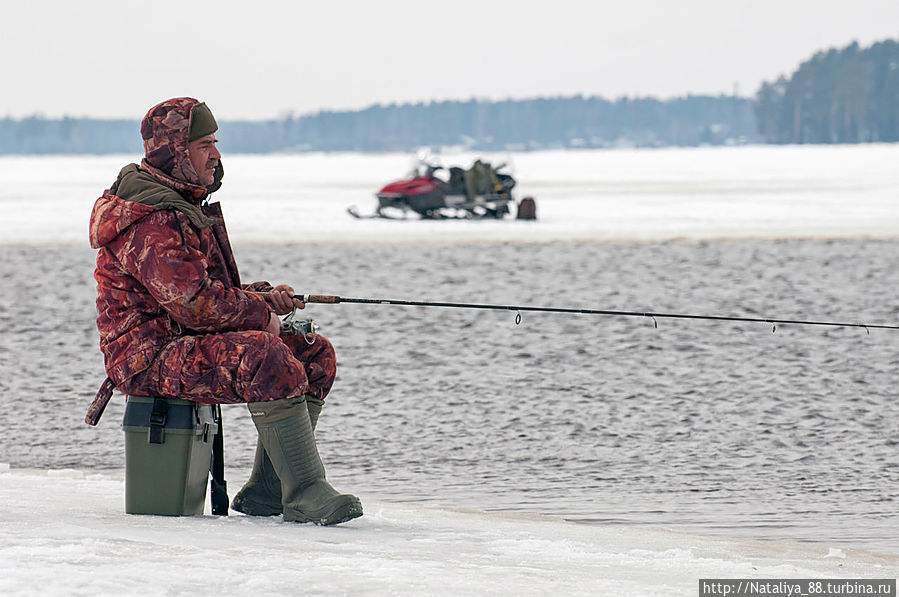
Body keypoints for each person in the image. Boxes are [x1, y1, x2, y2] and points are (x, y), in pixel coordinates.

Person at [87, 97, 362, 525]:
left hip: (181, 340)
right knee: (265, 354)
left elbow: (207, 293)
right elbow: (195, 305)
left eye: (215, 142)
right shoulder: (152, 219)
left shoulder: (179, 204)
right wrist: (262, 316)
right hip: (148, 357)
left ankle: (268, 491)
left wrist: (264, 298)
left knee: (313, 353)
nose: (215, 154)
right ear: (176, 152)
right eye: (204, 145)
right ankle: (306, 492)